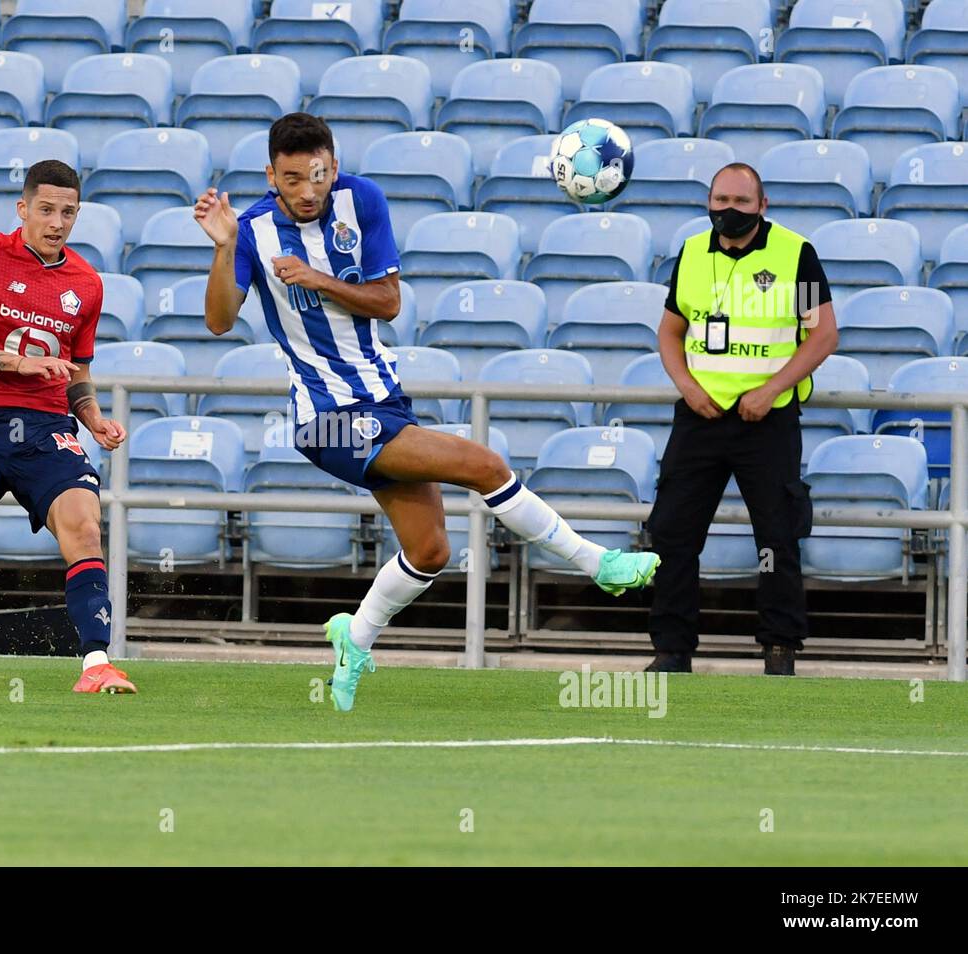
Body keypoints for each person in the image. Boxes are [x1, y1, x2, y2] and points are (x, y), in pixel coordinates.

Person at [194, 113, 660, 711]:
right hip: (327, 417)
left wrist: (317, 278)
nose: (307, 191)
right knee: (484, 465)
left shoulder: (361, 201)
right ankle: (597, 562)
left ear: (333, 167)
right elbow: (217, 321)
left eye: (317, 175)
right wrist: (226, 245)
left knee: (431, 550)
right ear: (271, 176)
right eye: (292, 179)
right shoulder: (252, 230)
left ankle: (353, 639)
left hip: (384, 397)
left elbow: (387, 302)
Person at [0, 159, 136, 694]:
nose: (56, 222)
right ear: (23, 209)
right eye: (46, 210)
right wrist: (17, 364)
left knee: (84, 524)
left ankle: (96, 663)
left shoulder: (86, 283)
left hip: (45, 425)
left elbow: (77, 370)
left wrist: (93, 418)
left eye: (68, 212)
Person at [646, 162, 839, 676]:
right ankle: (671, 650)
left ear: (762, 206)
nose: (729, 211)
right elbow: (670, 332)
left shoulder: (795, 255)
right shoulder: (690, 253)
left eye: (740, 202)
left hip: (768, 420)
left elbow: (820, 334)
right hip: (699, 417)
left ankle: (779, 648)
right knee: (672, 534)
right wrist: (688, 387)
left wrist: (772, 389)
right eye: (720, 201)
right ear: (709, 202)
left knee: (776, 539)